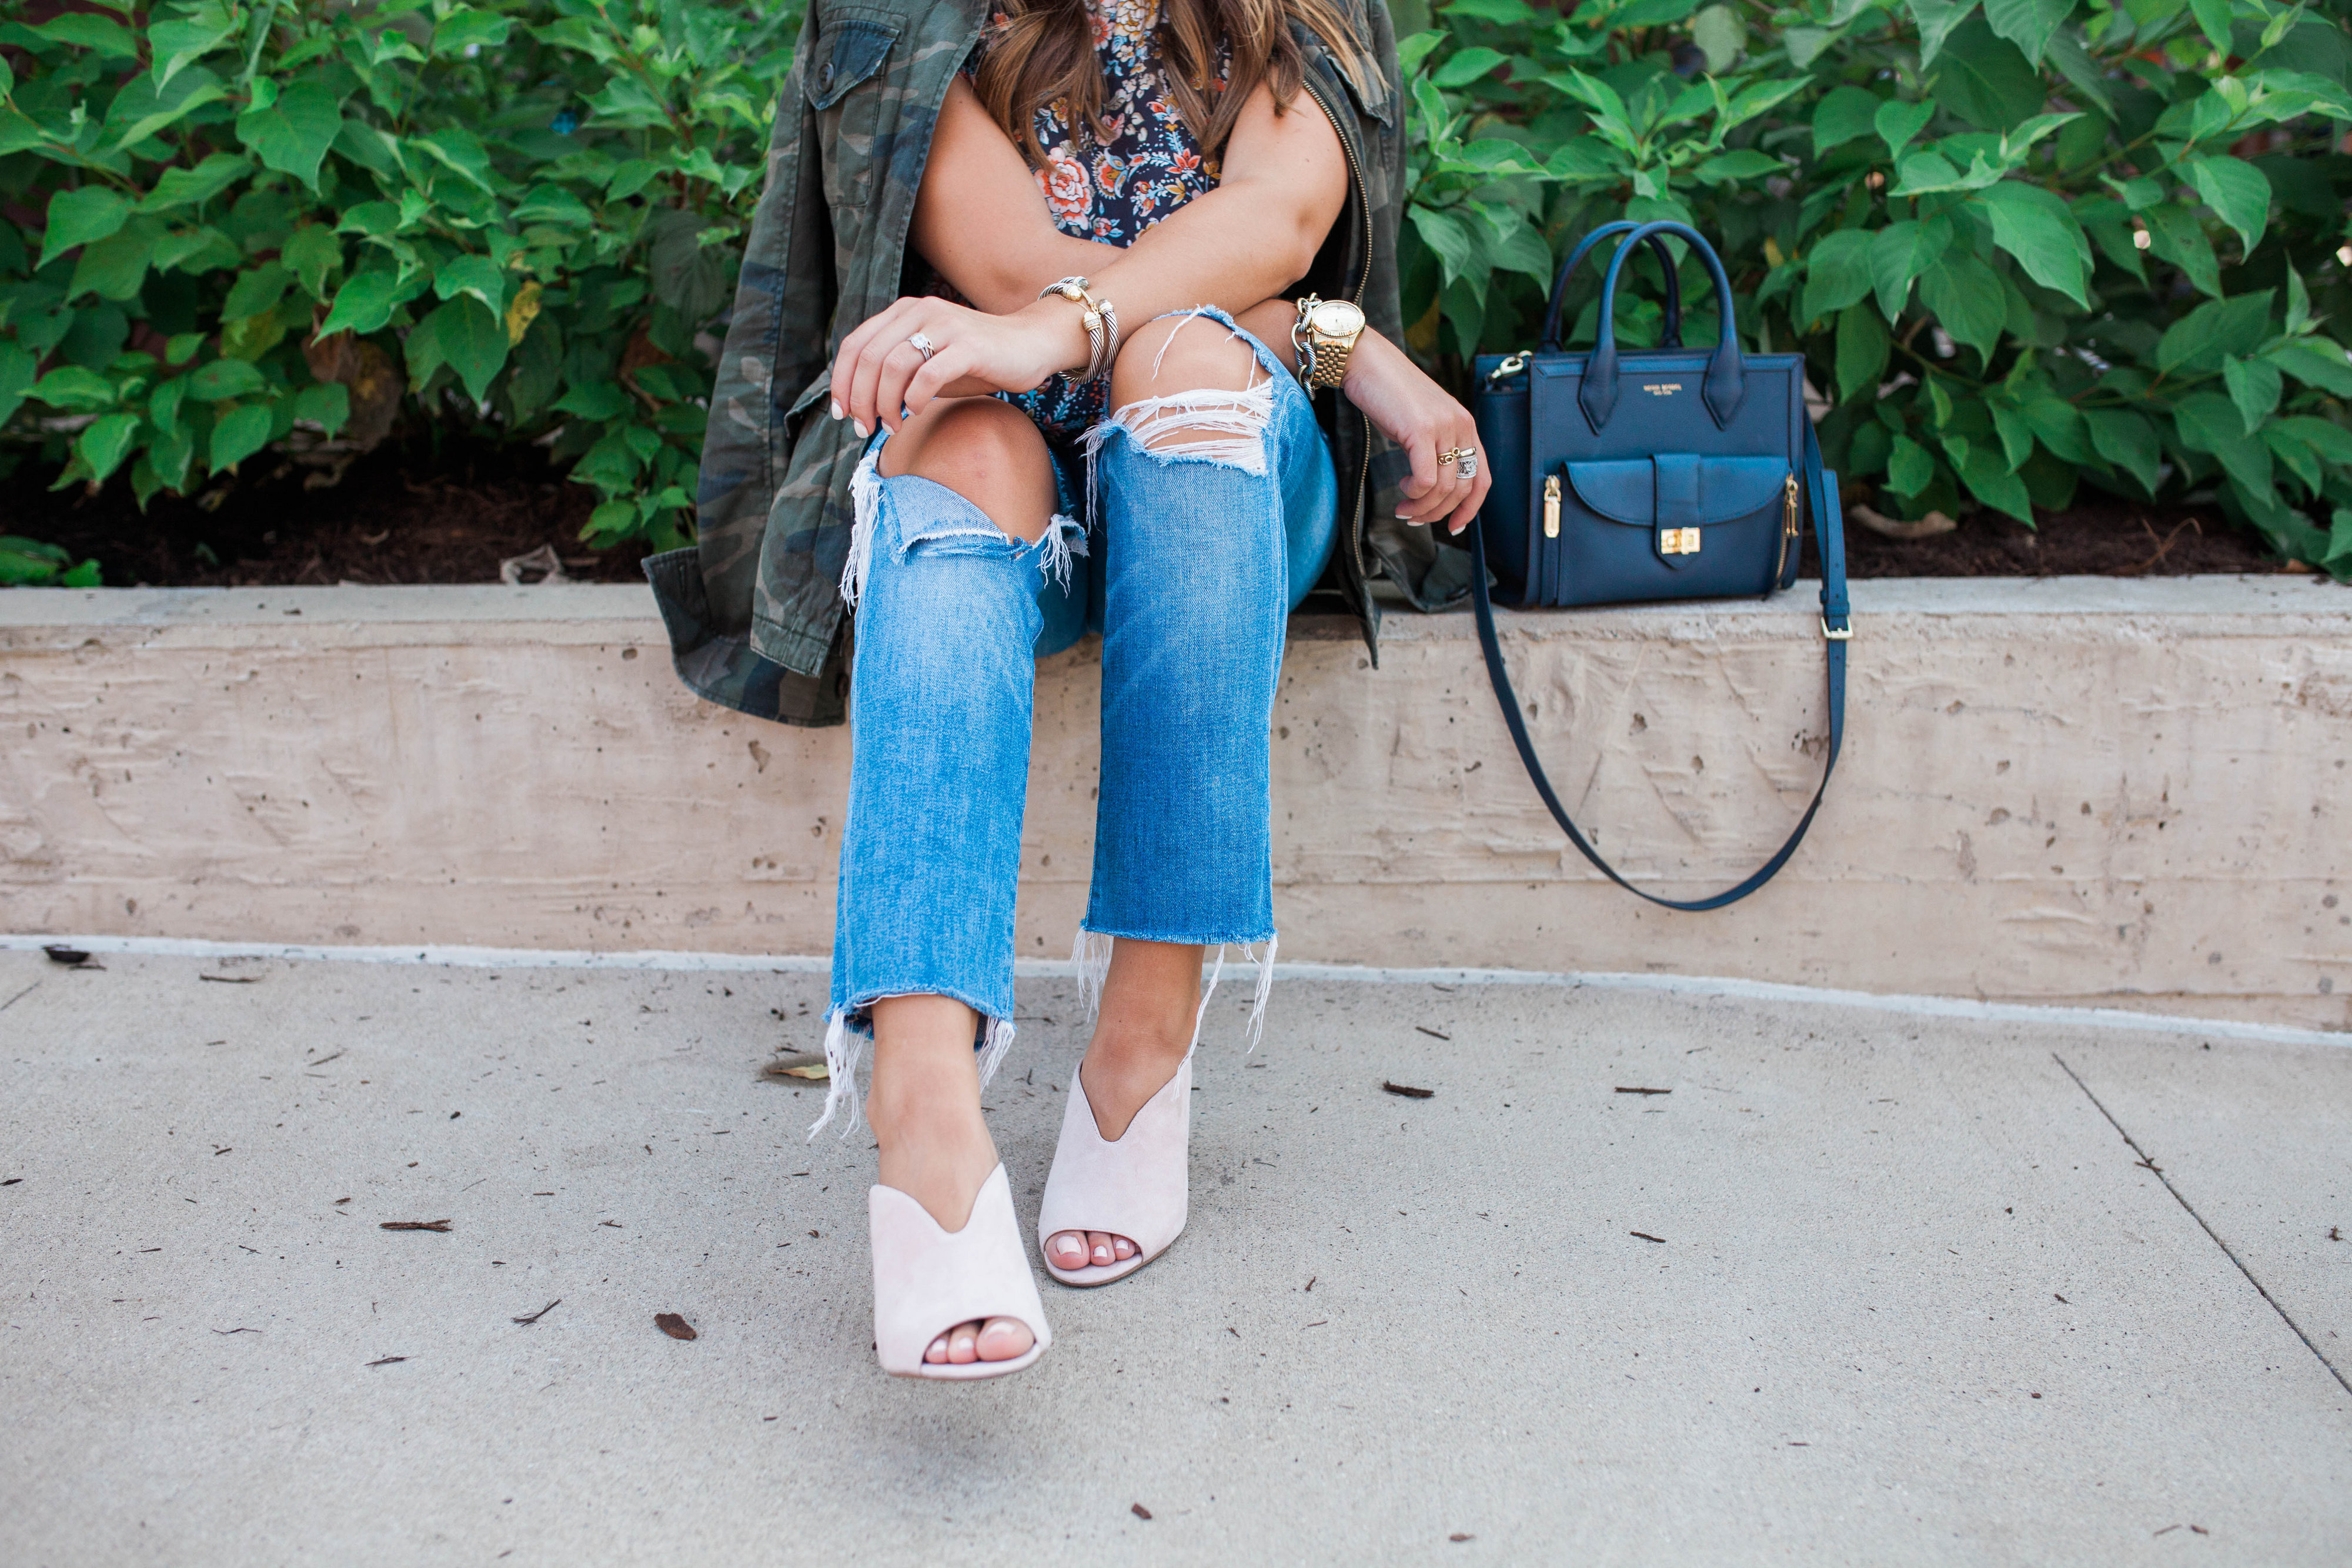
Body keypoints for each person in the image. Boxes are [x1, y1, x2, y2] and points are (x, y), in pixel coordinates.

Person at [647, 0, 1490, 1379]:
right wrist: (1340, 337)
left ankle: (1141, 1043)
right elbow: (1005, 262)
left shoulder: (1292, 12)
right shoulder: (907, 13)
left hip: (1212, 441)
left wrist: (1267, 327)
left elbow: (1271, 221)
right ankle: (923, 1116)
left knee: (1186, 365)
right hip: (1007, 412)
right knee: (955, 451)